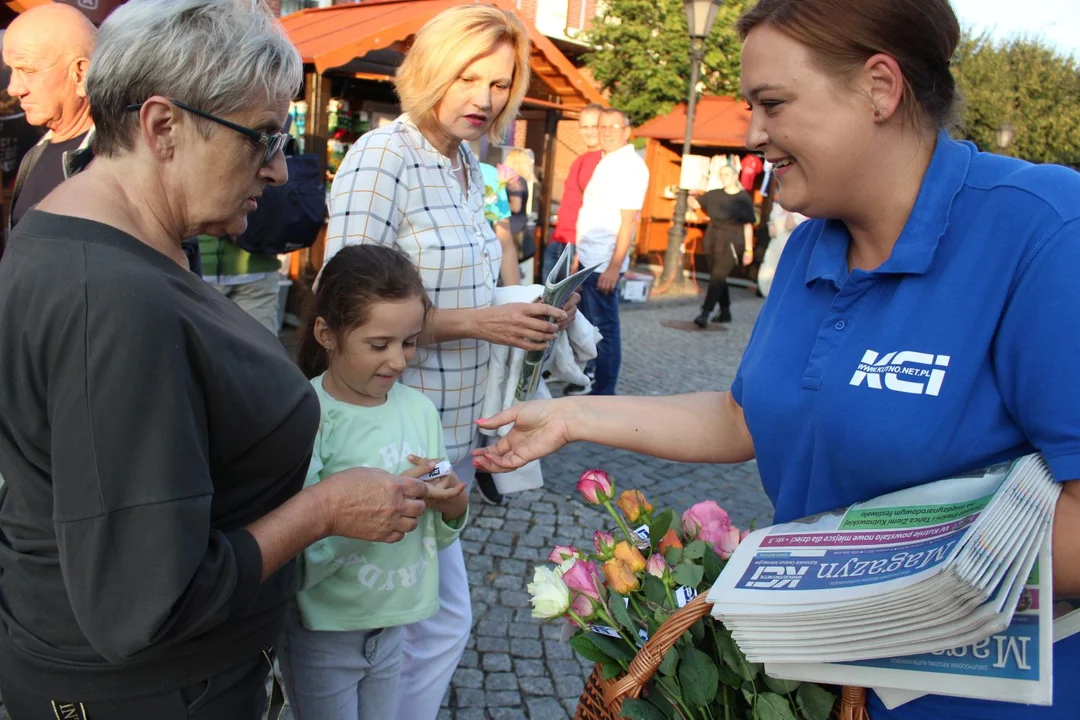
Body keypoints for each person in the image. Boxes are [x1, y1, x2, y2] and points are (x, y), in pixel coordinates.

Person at [472, 0, 1080, 718]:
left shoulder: (1043, 231)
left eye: (774, 104)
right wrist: (570, 415)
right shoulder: (811, 244)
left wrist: (867, 587)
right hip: (818, 686)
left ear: (880, 88)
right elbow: (746, 415)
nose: (754, 134)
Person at [0, 2, 435, 718]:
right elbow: (145, 599)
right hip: (150, 694)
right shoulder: (112, 301)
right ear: (162, 127)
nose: (275, 170)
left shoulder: (101, 232)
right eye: (262, 138)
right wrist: (322, 509)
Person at [321, 7, 576, 717]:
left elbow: (459, 286)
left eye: (500, 83)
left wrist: (529, 309)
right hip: (392, 431)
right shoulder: (384, 156)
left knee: (425, 618)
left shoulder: (470, 164)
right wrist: (482, 319)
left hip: (452, 430)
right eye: (469, 76)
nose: (485, 98)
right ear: (429, 69)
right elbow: (348, 307)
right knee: (420, 620)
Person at [279, 245, 469, 720]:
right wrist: (383, 502)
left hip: (393, 624)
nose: (400, 361)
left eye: (409, 342)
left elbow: (440, 530)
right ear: (327, 333)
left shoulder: (419, 410)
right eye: (379, 345)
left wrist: (452, 507)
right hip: (322, 630)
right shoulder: (307, 415)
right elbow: (297, 550)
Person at [574, 107, 649, 395]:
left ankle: (604, 392)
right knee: (591, 326)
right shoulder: (607, 161)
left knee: (605, 330)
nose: (605, 132)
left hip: (604, 263)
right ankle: (593, 383)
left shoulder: (629, 166)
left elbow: (629, 221)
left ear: (627, 131)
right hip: (590, 258)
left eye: (612, 127)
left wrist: (615, 267)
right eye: (601, 127)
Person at [3, 3, 95, 231]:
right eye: (11, 71)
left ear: (80, 73)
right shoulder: (35, 155)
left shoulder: (124, 165)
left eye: (27, 70)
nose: (13, 89)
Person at [543, 102, 604, 282]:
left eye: (594, 126)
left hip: (577, 244)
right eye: (584, 126)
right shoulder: (582, 159)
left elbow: (598, 209)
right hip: (561, 239)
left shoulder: (603, 162)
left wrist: (581, 253)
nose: (589, 131)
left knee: (565, 306)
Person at [691, 163, 755, 327]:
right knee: (717, 276)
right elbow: (695, 204)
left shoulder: (743, 198)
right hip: (713, 237)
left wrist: (748, 250)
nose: (724, 177)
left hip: (733, 240)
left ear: (735, 176)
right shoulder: (714, 194)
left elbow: (748, 225)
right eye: (722, 174)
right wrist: (691, 191)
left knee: (718, 275)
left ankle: (705, 312)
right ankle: (725, 311)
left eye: (727, 174)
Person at [504, 147, 537, 275]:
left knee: (511, 271)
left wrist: (495, 200)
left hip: (513, 232)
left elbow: (515, 207)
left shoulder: (515, 181)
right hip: (519, 229)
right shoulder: (521, 181)